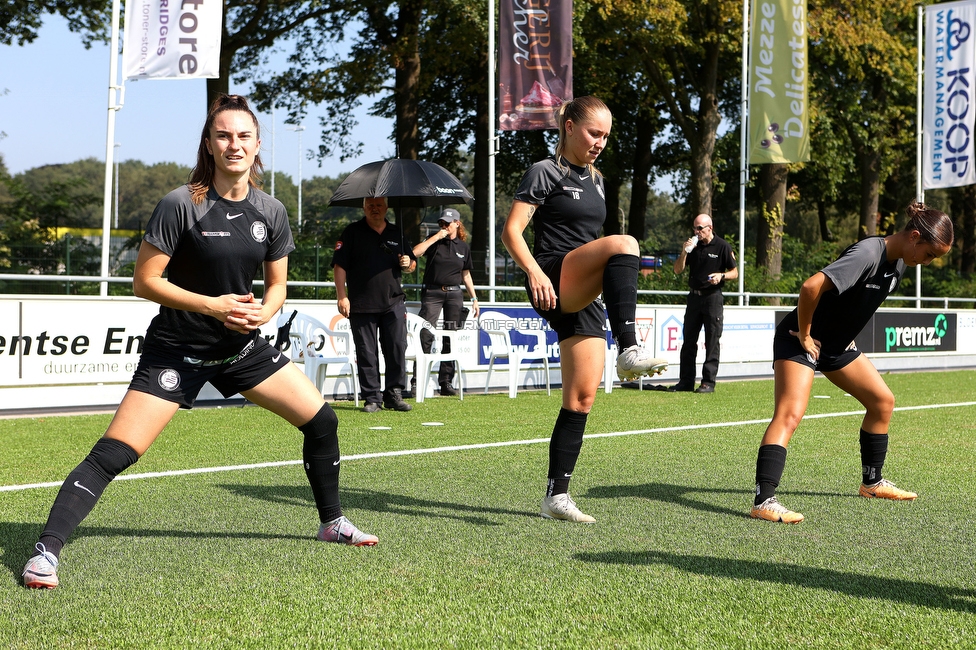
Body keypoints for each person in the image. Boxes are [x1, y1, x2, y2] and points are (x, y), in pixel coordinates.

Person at [22, 95, 377, 590]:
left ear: (257, 146)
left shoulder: (271, 210)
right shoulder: (180, 203)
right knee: (116, 452)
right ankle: (45, 553)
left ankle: (332, 522)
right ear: (209, 146)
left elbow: (277, 287)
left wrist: (262, 312)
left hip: (241, 350)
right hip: (177, 351)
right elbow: (145, 282)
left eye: (244, 136)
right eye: (224, 135)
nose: (234, 144)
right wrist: (213, 305)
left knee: (322, 419)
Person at [501, 95, 668, 524]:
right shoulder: (545, 170)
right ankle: (629, 350)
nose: (600, 142)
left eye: (607, 136)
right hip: (553, 275)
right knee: (626, 242)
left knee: (581, 399)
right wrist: (535, 274)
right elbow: (512, 231)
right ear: (570, 126)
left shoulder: (596, 180)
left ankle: (556, 496)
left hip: (583, 292)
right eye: (595, 132)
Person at [750, 201, 954, 524]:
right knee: (790, 413)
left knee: (882, 402)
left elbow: (860, 303)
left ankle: (872, 483)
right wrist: (804, 335)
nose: (927, 262)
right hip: (799, 337)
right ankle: (764, 499)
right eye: (929, 254)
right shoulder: (869, 253)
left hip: (836, 346)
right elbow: (810, 286)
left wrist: (848, 334)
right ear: (915, 236)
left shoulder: (900, 263)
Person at [332, 196, 417, 412]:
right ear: (363, 208)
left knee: (397, 348)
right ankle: (372, 398)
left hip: (394, 302)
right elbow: (339, 266)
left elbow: (412, 263)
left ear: (386, 207)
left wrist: (408, 264)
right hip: (361, 304)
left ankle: (394, 395)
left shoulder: (397, 232)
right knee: (366, 353)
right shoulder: (352, 232)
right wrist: (342, 296)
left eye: (379, 205)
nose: (374, 208)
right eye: (370, 205)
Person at [411, 207, 480, 396]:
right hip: (433, 293)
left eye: (447, 223)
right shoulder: (434, 241)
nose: (444, 226)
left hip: (454, 295)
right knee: (425, 334)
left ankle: (446, 382)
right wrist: (435, 237)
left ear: (457, 223)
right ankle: (417, 380)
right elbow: (415, 253)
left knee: (451, 337)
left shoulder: (463, 247)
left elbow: (466, 275)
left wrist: (474, 298)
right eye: (441, 223)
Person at [671, 213, 738, 393]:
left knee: (712, 341)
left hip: (712, 298)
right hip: (694, 298)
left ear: (710, 228)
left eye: (700, 228)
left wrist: (721, 276)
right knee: (688, 341)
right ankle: (685, 381)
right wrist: (684, 252)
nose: (696, 231)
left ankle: (708, 382)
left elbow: (735, 272)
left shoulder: (722, 246)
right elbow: (677, 270)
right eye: (694, 228)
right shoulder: (694, 247)